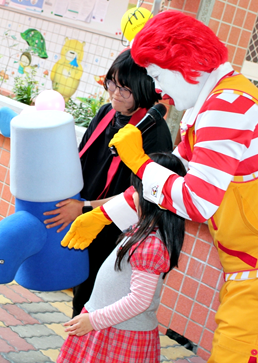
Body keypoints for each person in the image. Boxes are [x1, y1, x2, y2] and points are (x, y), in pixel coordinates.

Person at [62, 11, 258, 363]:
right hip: (255, 270)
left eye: (156, 74)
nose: (156, 88)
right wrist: (106, 214)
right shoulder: (209, 106)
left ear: (185, 65)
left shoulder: (229, 107)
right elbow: (175, 173)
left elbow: (197, 200)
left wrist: (138, 162)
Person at [43, 50, 172, 316]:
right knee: (81, 299)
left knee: (100, 305)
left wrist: (85, 207)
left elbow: (143, 195)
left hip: (119, 232)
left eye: (124, 89)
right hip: (87, 220)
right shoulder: (105, 113)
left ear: (145, 90)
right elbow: (80, 161)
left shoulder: (154, 133)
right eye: (111, 83)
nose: (114, 93)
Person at [58, 152, 186, 363]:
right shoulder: (141, 229)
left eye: (136, 189)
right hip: (107, 327)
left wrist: (94, 320)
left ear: (152, 196)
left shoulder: (152, 244)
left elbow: (139, 301)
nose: (130, 195)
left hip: (119, 333)